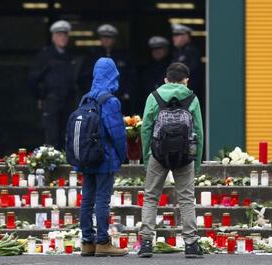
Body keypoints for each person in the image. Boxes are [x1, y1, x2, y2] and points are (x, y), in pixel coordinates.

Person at [138, 63, 204, 258]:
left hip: (158, 154)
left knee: (151, 197)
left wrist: (147, 157)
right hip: (185, 156)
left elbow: (146, 128)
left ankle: (147, 243)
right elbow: (198, 132)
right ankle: (191, 244)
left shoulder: (154, 96)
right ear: (186, 81)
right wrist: (196, 161)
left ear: (166, 79)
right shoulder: (192, 98)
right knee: (186, 198)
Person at [79, 58, 128, 257]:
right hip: (104, 157)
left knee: (87, 200)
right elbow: (116, 132)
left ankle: (87, 242)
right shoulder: (110, 100)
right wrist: (123, 154)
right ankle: (103, 242)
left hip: (86, 156)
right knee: (102, 200)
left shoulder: (85, 98)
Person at [28, 20, 76, 149]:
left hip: (68, 103)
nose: (63, 38)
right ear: (53, 37)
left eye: (65, 35)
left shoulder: (69, 56)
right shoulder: (45, 55)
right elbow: (33, 79)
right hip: (51, 101)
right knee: (51, 138)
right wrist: (41, 97)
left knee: (66, 136)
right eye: (60, 35)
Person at [79, 24, 138, 115]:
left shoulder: (123, 57)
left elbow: (132, 77)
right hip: (96, 101)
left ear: (114, 39)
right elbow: (83, 78)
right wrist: (92, 94)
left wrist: (126, 94)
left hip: (119, 99)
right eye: (104, 37)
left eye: (109, 37)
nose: (106, 40)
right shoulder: (92, 57)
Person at [171, 24, 204, 106]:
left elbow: (191, 74)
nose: (174, 38)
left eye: (177, 35)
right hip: (178, 94)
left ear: (186, 37)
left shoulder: (192, 52)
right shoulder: (176, 53)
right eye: (174, 35)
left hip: (188, 94)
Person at [140, 36, 171, 111]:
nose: (157, 51)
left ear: (166, 49)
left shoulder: (172, 67)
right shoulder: (147, 69)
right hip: (150, 106)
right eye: (154, 49)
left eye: (160, 48)